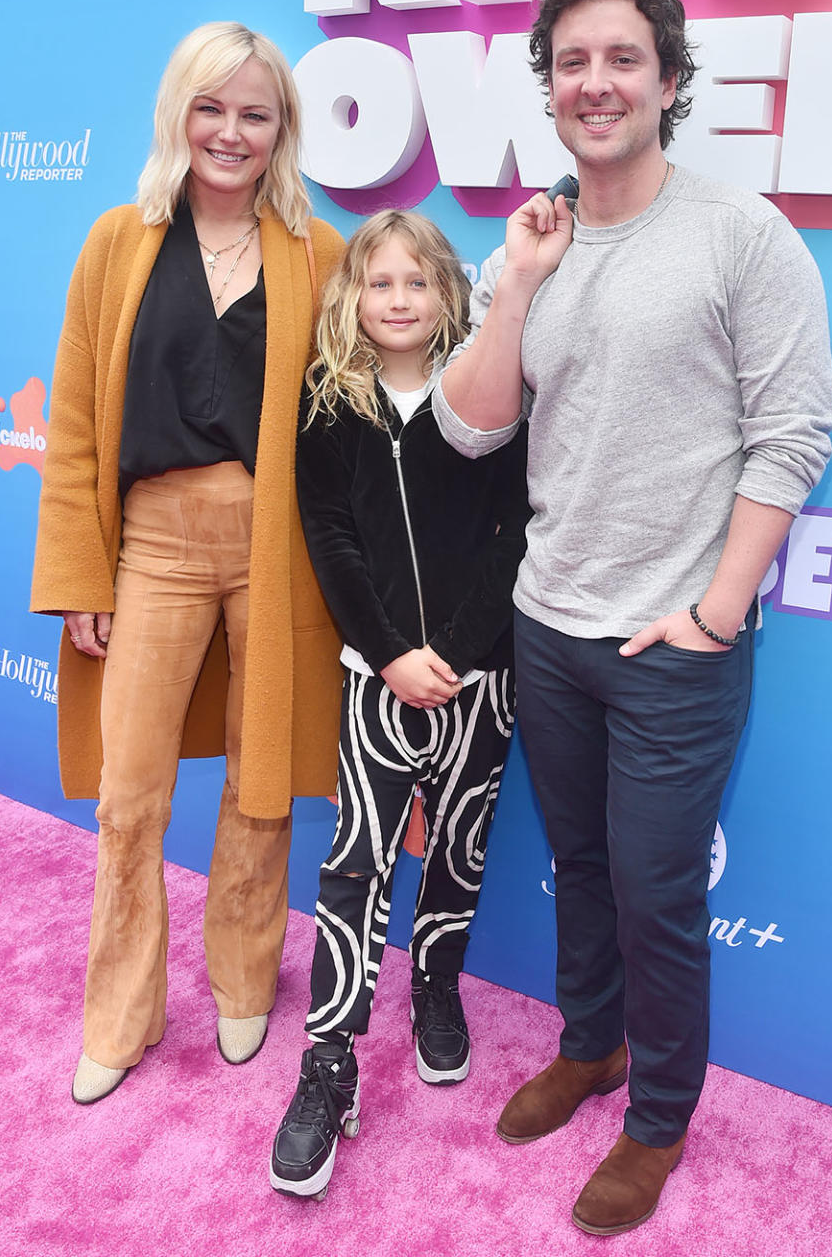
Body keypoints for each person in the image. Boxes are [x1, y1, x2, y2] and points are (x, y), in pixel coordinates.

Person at [433, 0, 832, 1236]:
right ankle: (590, 1043)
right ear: (546, 89)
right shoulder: (538, 239)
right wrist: (516, 286)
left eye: (623, 60)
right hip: (550, 624)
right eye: (572, 63)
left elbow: (792, 434)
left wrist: (715, 613)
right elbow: (476, 428)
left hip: (675, 639)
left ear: (669, 81)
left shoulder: (738, 230)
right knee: (585, 865)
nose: (596, 83)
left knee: (659, 889)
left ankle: (658, 1114)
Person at [30, 22, 345, 1105]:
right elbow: (72, 420)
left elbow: (353, 424)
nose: (231, 130)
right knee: (129, 795)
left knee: (261, 785)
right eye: (212, 107)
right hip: (151, 548)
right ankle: (119, 1013)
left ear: (281, 130)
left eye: (255, 113)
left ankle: (245, 977)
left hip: (278, 549)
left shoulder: (321, 253)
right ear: (179, 113)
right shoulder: (119, 241)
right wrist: (78, 573)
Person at [268, 210, 530, 1200]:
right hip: (374, 675)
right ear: (355, 297)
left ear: (447, 292)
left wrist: (454, 652)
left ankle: (435, 983)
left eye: (417, 283)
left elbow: (517, 525)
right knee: (355, 863)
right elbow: (328, 533)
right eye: (380, 284)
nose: (399, 301)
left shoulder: (490, 393)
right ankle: (328, 1059)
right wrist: (389, 654)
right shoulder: (329, 400)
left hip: (478, 676)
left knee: (458, 849)